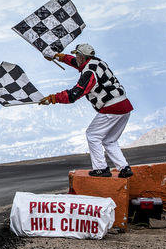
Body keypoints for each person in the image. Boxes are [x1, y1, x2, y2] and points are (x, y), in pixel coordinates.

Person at [39, 43, 134, 178]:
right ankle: (124, 168)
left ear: (83, 57)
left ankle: (101, 168)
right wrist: (56, 56)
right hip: (124, 106)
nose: (76, 57)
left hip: (111, 107)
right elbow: (75, 62)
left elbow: (74, 94)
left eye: (78, 55)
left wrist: (53, 98)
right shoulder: (97, 62)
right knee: (109, 140)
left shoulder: (89, 73)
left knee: (92, 135)